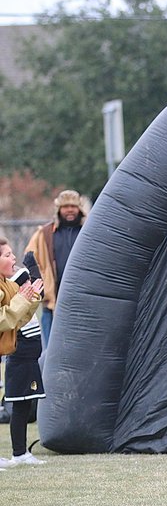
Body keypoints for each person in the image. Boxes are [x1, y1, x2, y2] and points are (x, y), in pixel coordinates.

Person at [0, 237, 45, 470]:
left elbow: (17, 319)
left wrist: (31, 298)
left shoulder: (7, 285)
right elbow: (3, 319)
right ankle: (17, 452)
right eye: (7, 255)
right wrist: (21, 299)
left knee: (25, 403)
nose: (13, 259)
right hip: (16, 355)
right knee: (17, 403)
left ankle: (20, 452)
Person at [25, 189, 87, 350]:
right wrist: (42, 285)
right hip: (53, 301)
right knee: (52, 350)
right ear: (58, 209)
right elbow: (29, 257)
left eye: (73, 206)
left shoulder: (89, 230)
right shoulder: (45, 233)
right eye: (65, 206)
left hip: (84, 298)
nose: (70, 210)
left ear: (79, 208)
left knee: (82, 347)